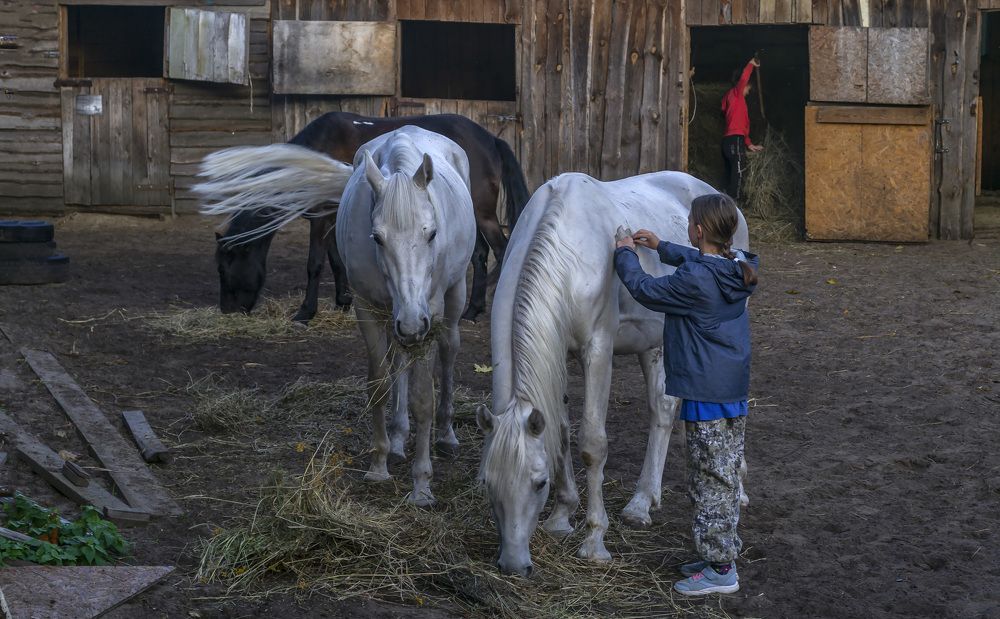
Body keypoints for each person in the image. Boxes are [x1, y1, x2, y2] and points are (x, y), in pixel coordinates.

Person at [613, 193, 759, 596]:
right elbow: (701, 262)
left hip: (705, 389)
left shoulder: (695, 280)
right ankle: (716, 554)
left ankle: (721, 570)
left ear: (696, 230)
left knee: (712, 479)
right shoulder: (737, 264)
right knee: (717, 473)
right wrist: (662, 246)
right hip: (728, 386)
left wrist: (625, 253)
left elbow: (644, 289)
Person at [721, 57, 763, 202]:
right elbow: (744, 78)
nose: (748, 92)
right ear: (743, 85)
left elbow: (740, 125)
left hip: (727, 141)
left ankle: (724, 200)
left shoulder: (728, 98)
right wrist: (751, 64)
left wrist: (749, 144)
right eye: (748, 89)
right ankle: (734, 202)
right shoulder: (736, 94)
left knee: (730, 172)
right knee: (738, 170)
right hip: (735, 139)